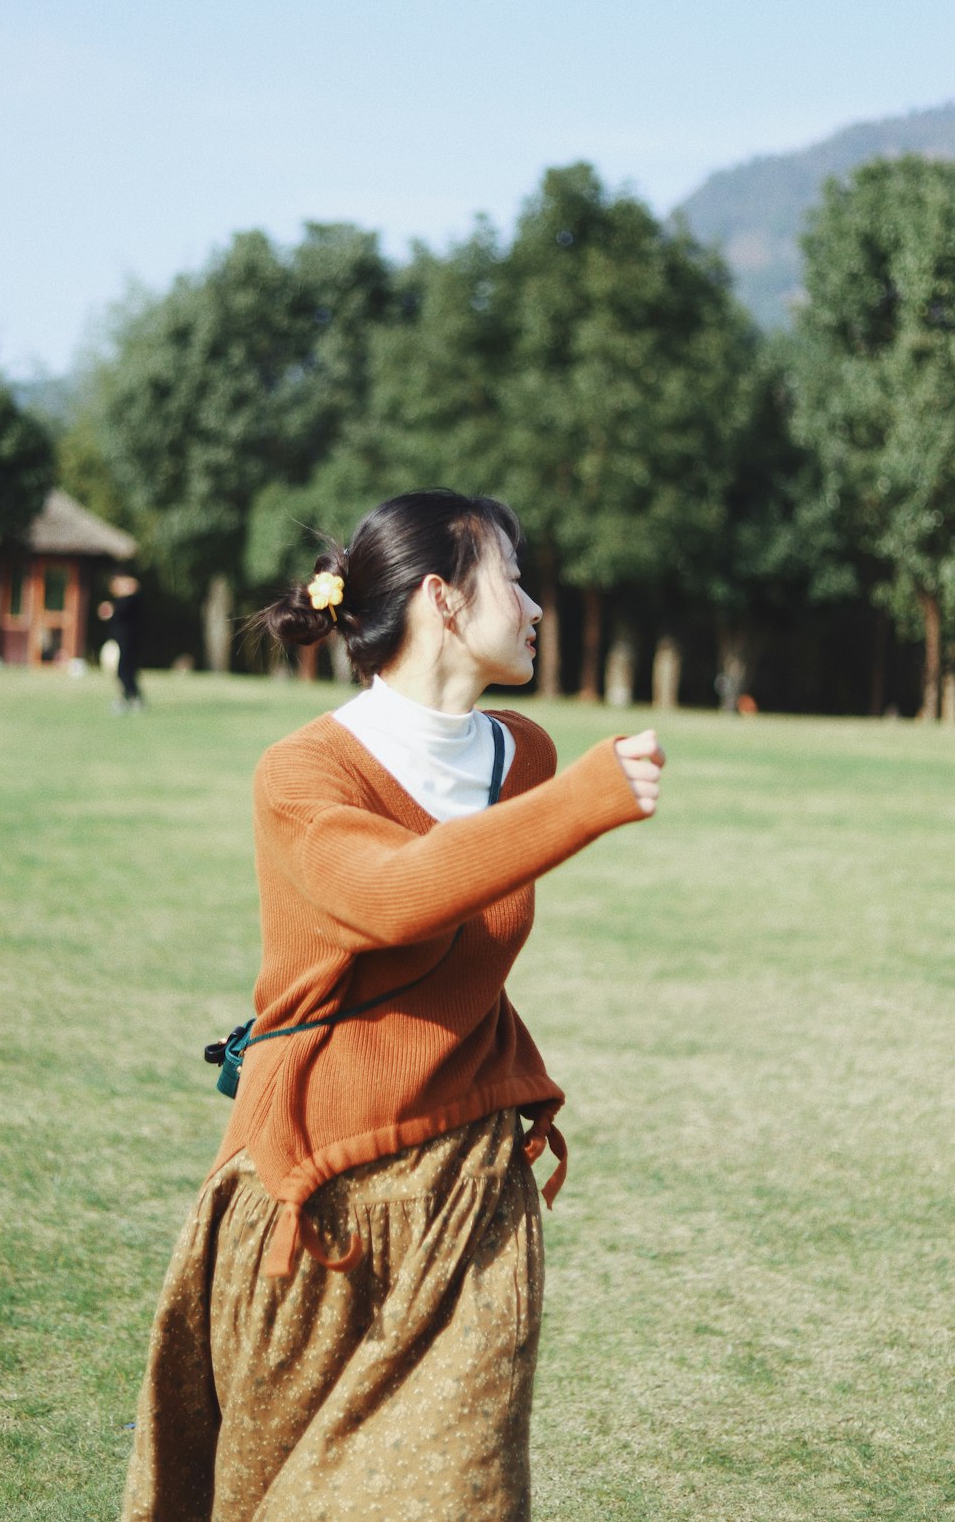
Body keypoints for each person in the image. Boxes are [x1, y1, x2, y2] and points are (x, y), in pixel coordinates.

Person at [121, 490, 664, 1522]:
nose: (538, 604)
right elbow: (389, 895)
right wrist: (581, 804)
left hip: (470, 1195)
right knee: (269, 1497)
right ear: (444, 600)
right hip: (313, 1203)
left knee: (465, 1494)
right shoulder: (303, 771)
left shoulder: (524, 758)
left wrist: (558, 794)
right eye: (514, 576)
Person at [98, 572, 144, 710]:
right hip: (120, 641)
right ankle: (129, 697)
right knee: (124, 671)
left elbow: (117, 610)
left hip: (128, 642)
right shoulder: (121, 602)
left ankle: (133, 697)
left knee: (124, 670)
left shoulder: (131, 600)